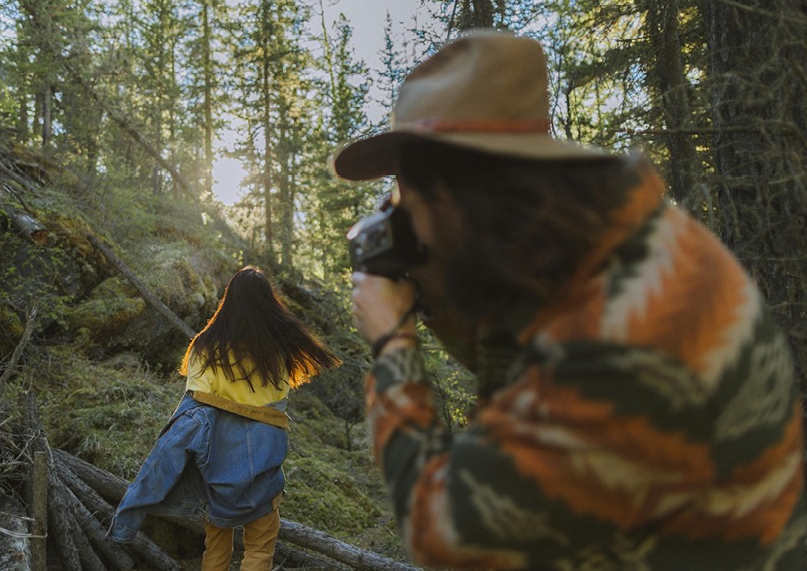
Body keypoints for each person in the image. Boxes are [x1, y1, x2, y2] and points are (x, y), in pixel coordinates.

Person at [333, 29, 806, 569]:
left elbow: (448, 534)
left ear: (448, 198)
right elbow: (519, 366)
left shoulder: (625, 327)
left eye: (403, 197)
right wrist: (440, 283)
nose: (397, 216)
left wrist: (393, 342)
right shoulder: (601, 242)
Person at [108, 266, 339, 571]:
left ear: (228, 300)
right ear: (269, 302)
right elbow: (276, 401)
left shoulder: (206, 347)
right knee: (259, 548)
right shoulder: (278, 352)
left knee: (216, 547)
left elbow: (195, 408)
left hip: (216, 470)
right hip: (264, 468)